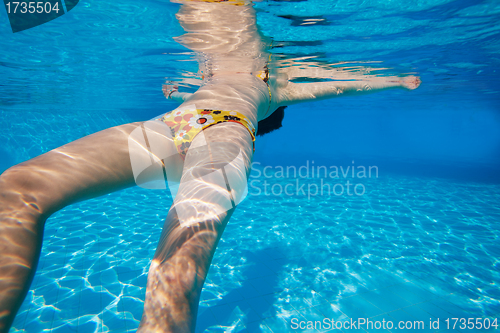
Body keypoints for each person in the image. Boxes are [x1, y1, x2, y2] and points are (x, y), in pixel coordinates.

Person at [0, 0, 420, 332]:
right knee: (19, 189)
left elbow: (339, 86)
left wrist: (396, 82)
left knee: (176, 280)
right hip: (182, 126)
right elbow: (344, 84)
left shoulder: (279, 87)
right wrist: (396, 80)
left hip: (222, 136)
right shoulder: (259, 82)